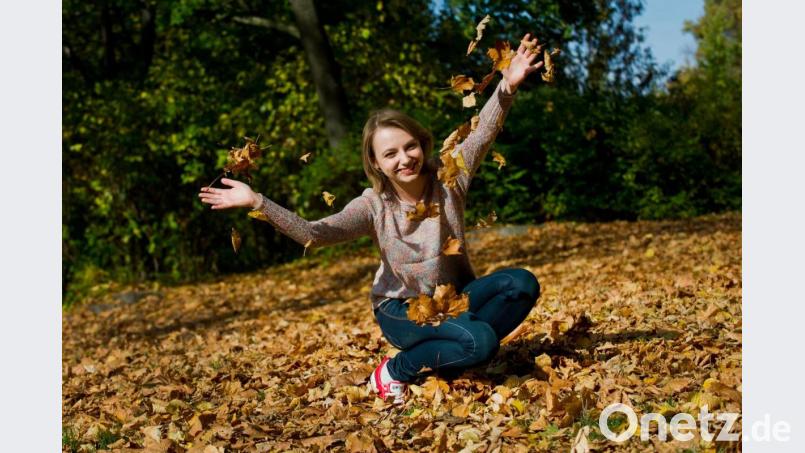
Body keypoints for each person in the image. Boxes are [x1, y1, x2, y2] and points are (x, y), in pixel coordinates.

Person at [199, 33, 544, 404]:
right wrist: (259, 201)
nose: (405, 158)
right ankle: (396, 370)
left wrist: (507, 86)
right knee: (482, 341)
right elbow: (314, 233)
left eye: (409, 146)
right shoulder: (373, 205)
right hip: (401, 309)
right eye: (390, 153)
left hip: (452, 299)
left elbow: (483, 133)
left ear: (422, 144)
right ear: (377, 163)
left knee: (521, 284)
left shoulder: (449, 175)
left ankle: (458, 353)